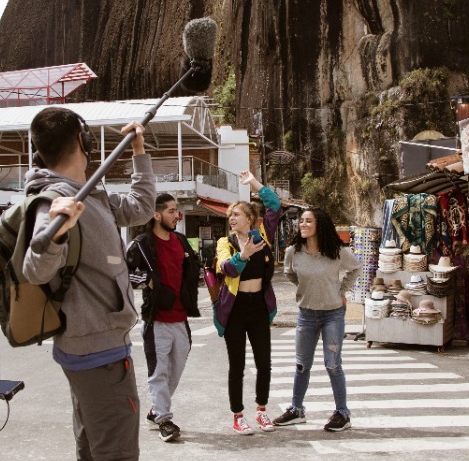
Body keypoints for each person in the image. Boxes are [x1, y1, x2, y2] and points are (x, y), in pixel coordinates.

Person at [22, 106, 156, 461]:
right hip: (95, 349)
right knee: (118, 460)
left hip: (95, 345)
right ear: (80, 139)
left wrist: (139, 152)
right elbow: (36, 264)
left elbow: (141, 207)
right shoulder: (55, 197)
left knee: (93, 460)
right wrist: (56, 229)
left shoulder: (93, 189)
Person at [275, 207, 362, 431]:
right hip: (306, 315)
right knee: (302, 365)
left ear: (319, 225)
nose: (302, 224)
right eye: (301, 221)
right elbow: (289, 273)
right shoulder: (294, 251)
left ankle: (342, 413)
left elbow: (355, 268)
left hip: (333, 314)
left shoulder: (336, 250)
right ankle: (296, 409)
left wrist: (342, 291)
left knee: (332, 364)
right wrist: (305, 289)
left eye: (308, 221)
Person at [126, 193, 201, 442]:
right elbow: (122, 273)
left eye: (176, 210)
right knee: (159, 372)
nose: (176, 215)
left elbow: (194, 268)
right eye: (171, 211)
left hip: (181, 319)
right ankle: (164, 420)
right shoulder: (142, 244)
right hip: (156, 320)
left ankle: (156, 409)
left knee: (175, 371)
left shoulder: (180, 241)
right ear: (156, 215)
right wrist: (146, 280)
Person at [213, 170, 281, 435]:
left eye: (237, 214)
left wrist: (254, 183)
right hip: (236, 309)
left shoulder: (261, 235)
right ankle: (238, 415)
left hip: (259, 307)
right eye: (230, 215)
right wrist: (242, 255)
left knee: (264, 362)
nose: (232, 219)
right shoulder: (224, 243)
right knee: (237, 365)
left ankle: (262, 411)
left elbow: (275, 204)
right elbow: (226, 269)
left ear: (251, 219)